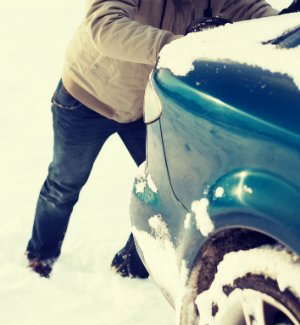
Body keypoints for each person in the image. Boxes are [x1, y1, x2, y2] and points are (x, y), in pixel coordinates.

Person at [26, 0, 297, 278]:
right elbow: (104, 25)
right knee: (64, 184)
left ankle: (129, 267)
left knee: (166, 188)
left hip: (144, 103)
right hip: (87, 96)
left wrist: (283, 24)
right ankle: (40, 256)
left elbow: (248, 10)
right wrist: (177, 45)